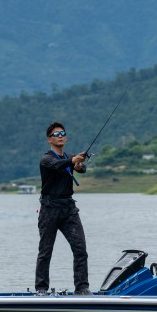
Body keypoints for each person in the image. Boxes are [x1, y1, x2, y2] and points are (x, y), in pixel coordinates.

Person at [35, 121, 91, 296]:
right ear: (49, 139)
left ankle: (82, 288)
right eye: (56, 134)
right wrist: (73, 161)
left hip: (69, 209)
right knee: (45, 251)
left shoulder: (70, 156)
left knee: (80, 249)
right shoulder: (46, 158)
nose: (60, 136)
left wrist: (78, 165)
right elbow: (57, 165)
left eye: (62, 134)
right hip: (49, 209)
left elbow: (82, 169)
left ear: (66, 138)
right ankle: (41, 289)